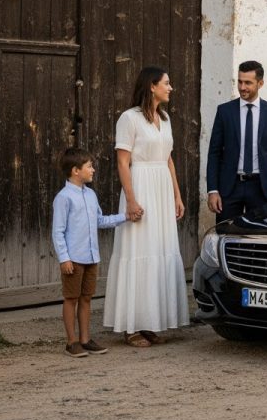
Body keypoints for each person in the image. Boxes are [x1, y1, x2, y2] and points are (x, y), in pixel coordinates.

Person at [103, 66, 190, 347]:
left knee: (159, 249)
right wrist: (130, 199)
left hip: (162, 187)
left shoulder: (164, 119)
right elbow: (122, 161)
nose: (171, 87)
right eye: (167, 83)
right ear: (152, 86)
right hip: (140, 185)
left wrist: (177, 195)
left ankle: (151, 322)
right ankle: (132, 326)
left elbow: (168, 159)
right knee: (138, 250)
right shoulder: (129, 119)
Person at [52, 147, 133, 358]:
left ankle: (85, 339)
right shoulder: (64, 197)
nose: (93, 170)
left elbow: (100, 220)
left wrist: (125, 216)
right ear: (75, 170)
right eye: (89, 166)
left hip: (91, 257)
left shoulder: (90, 195)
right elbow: (58, 231)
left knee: (86, 298)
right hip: (74, 259)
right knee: (71, 298)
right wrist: (64, 258)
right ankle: (71, 342)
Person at [207, 60, 267, 223]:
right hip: (230, 188)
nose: (242, 87)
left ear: (260, 83)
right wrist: (213, 190)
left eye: (248, 83)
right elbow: (214, 153)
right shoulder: (224, 111)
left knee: (260, 239)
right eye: (240, 81)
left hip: (261, 188)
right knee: (226, 234)